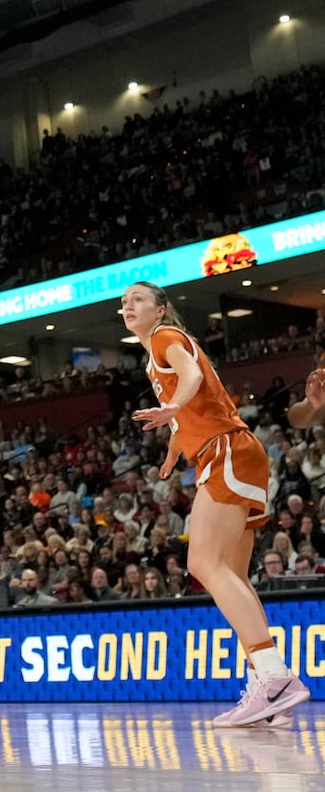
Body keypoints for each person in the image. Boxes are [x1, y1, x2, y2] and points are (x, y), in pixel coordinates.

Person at [123, 280, 309, 726]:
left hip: (226, 452)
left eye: (138, 300)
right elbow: (196, 405)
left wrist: (172, 410)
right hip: (234, 452)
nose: (128, 306)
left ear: (161, 310)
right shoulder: (154, 354)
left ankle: (274, 678)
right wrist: (173, 445)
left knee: (203, 564)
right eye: (124, 302)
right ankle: (270, 692)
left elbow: (190, 379)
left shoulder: (166, 338)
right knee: (233, 575)